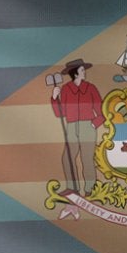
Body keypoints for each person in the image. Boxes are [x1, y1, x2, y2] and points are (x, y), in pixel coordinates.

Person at [48, 59, 103, 193]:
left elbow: (102, 111)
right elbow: (60, 114)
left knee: (87, 158)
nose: (85, 73)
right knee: (67, 158)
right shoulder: (66, 89)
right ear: (75, 73)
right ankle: (72, 188)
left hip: (87, 127)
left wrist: (94, 124)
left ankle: (91, 189)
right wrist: (55, 98)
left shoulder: (91, 88)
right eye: (82, 70)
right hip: (71, 127)